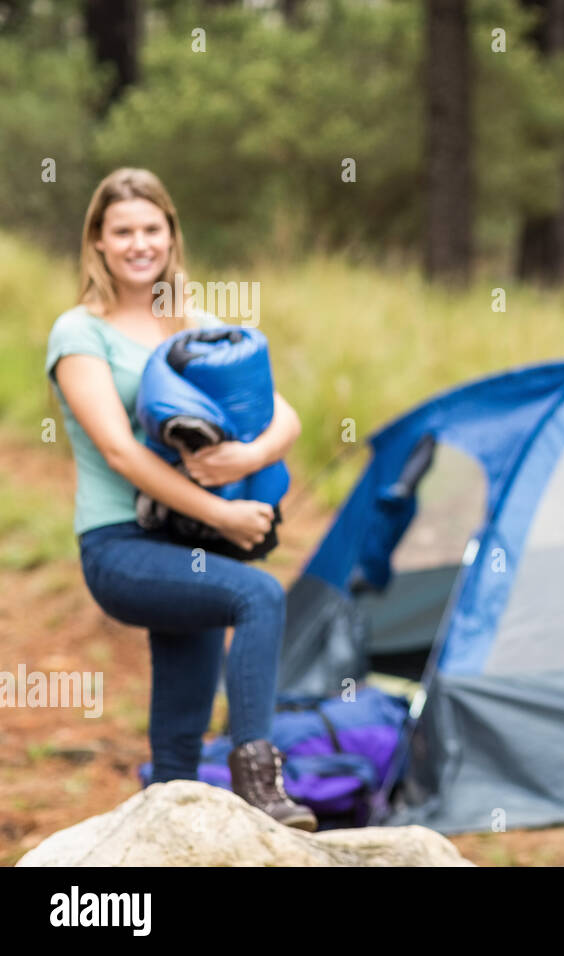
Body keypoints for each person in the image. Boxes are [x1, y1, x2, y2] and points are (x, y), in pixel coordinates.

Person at [45, 167, 316, 830]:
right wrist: (224, 511)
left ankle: (167, 841)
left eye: (151, 229)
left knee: (175, 751)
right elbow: (121, 452)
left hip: (188, 547)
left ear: (170, 235)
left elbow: (285, 415)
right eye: (123, 231)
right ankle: (260, 782)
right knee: (258, 595)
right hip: (121, 549)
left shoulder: (197, 325)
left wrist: (248, 457)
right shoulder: (80, 333)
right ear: (98, 243)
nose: (139, 243)